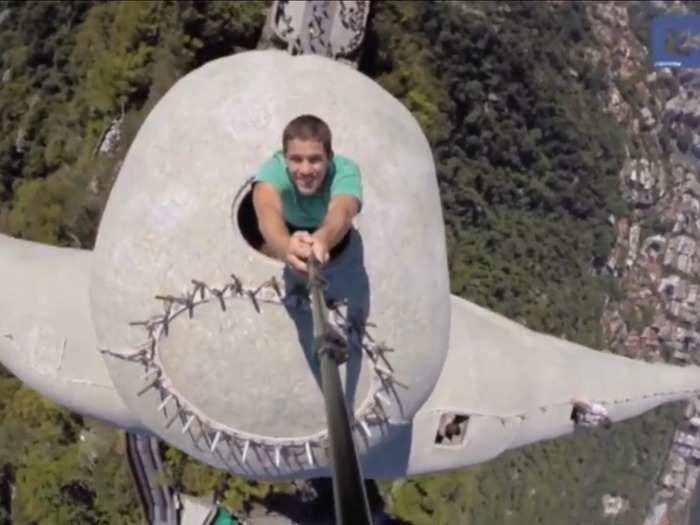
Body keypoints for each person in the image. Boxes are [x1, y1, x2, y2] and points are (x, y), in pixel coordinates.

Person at [252, 114, 362, 274]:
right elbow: (267, 212)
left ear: (329, 157)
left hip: (331, 234)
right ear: (284, 157)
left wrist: (322, 240)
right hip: (287, 228)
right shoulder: (272, 171)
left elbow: (343, 210)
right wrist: (284, 246)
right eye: (296, 159)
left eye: (315, 160)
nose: (305, 170)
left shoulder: (345, 170)